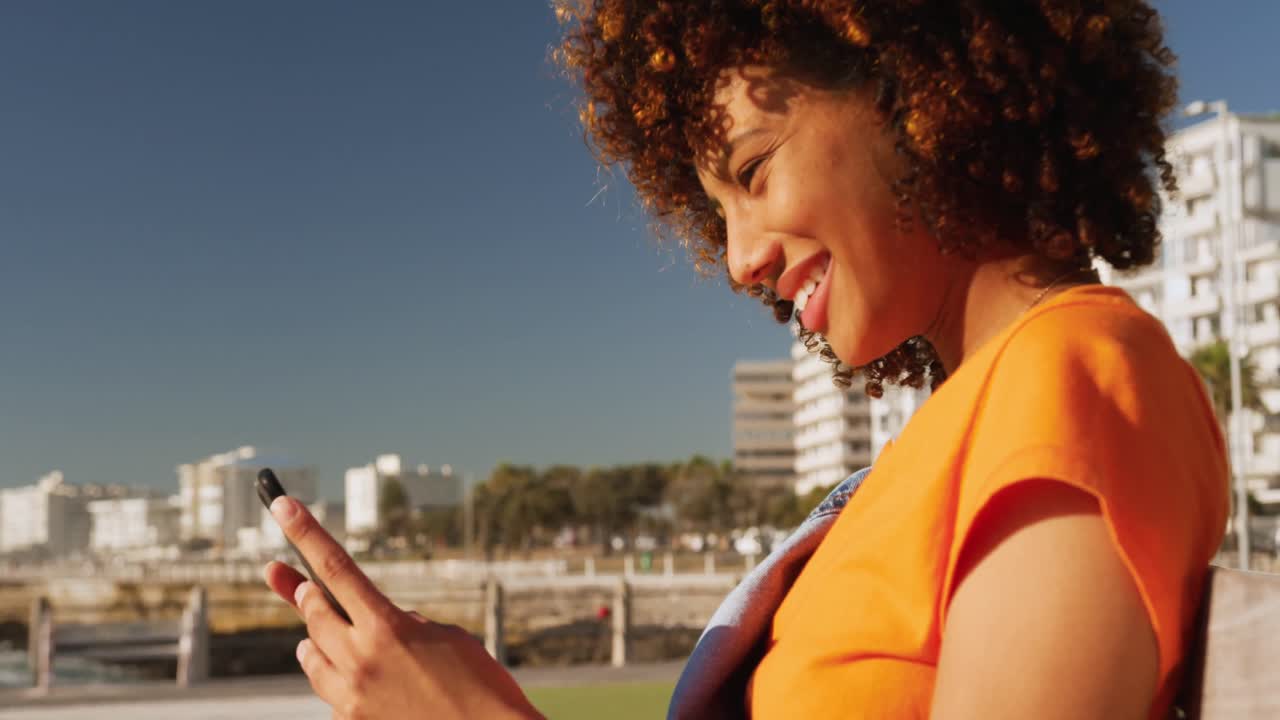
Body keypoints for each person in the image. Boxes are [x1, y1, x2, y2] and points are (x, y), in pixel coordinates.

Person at [262, 2, 1229, 718]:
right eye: (716, 213)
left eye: (755, 171)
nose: (737, 260)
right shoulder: (971, 420)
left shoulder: (1071, 373)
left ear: (910, 86)